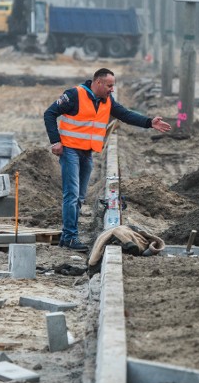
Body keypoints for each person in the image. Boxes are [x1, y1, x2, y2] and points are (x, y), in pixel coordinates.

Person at [44, 68, 172, 250]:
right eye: (109, 85)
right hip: (70, 150)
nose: (112, 89)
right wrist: (55, 141)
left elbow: (125, 114)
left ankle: (67, 236)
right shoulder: (74, 95)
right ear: (98, 83)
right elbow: (49, 113)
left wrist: (149, 122)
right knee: (71, 195)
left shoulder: (107, 100)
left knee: (80, 197)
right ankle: (71, 237)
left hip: (87, 152)